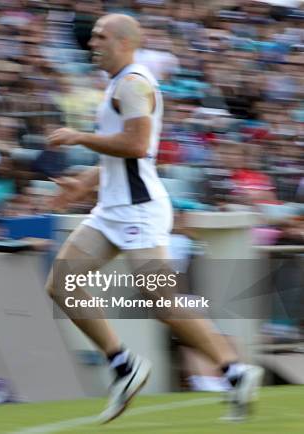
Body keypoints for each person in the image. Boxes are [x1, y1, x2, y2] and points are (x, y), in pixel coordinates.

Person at [47, 14, 262, 423]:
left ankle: (234, 371)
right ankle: (124, 366)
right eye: (92, 37)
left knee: (162, 300)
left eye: (101, 37)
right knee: (61, 284)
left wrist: (79, 137)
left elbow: (137, 144)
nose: (92, 43)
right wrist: (85, 183)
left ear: (125, 43)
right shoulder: (119, 83)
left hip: (138, 212)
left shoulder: (133, 84)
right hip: (113, 209)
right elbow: (123, 157)